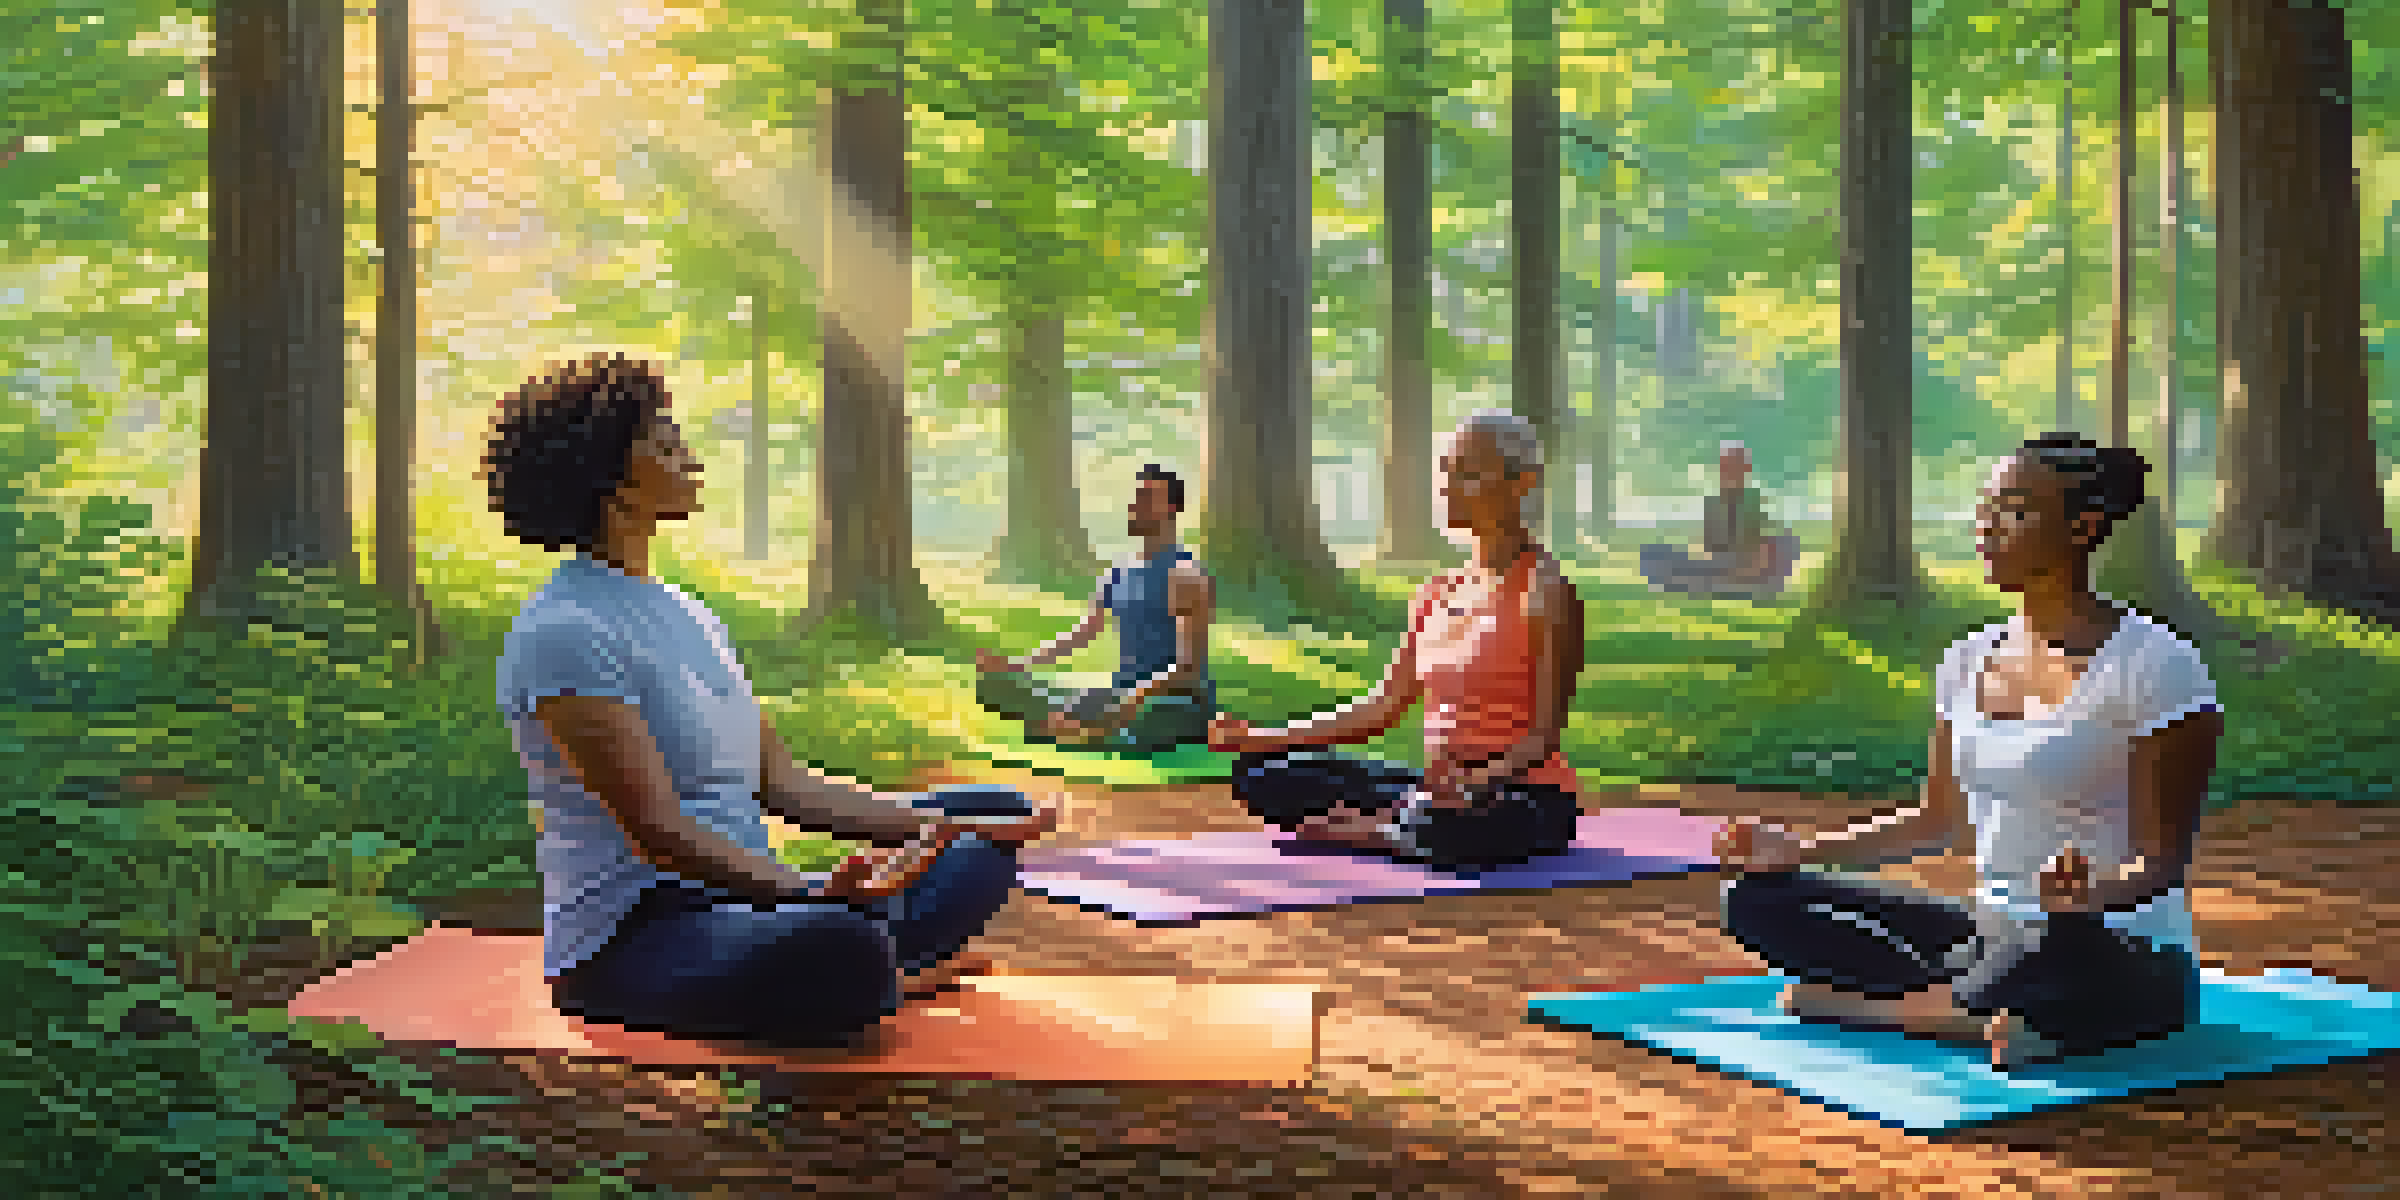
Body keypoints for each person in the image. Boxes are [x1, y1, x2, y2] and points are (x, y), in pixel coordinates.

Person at [482, 354, 1057, 1051]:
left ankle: (876, 959)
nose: (688, 454)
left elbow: (782, 784)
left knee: (991, 819)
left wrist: (934, 830)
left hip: (754, 904)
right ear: (614, 483)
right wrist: (806, 891)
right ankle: (877, 961)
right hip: (640, 935)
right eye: (664, 443)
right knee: (835, 943)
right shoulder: (565, 632)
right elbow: (656, 833)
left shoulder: (691, 615)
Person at [1716, 433, 2221, 1069]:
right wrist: (1794, 849)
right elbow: (1936, 821)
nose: (1988, 526)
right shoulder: (1967, 660)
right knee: (1761, 901)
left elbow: (2160, 862)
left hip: (2107, 940)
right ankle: (1977, 1013)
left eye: (2014, 509)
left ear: (2083, 527)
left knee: (2053, 963)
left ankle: (1887, 1007)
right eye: (1986, 508)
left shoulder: (2156, 665)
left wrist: (2091, 896)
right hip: (1993, 934)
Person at [1206, 409, 1586, 871]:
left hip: (1516, 791)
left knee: (1477, 819)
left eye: (1468, 474)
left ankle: (1382, 831)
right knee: (1263, 773)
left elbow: (1542, 739)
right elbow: (1382, 708)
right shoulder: (1437, 591)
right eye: (1445, 474)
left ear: (1522, 482)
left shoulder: (1545, 591)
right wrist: (1259, 738)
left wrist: (1477, 782)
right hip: (1433, 787)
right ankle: (1406, 819)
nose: (1447, 489)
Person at [974, 465, 1218, 755]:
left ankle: (1077, 730)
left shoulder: (1185, 574)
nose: (1135, 505)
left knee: (1122, 722)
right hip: (1121, 694)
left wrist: (1132, 700)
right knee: (996, 686)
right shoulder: (1118, 571)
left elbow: (1187, 670)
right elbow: (1084, 632)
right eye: (1136, 496)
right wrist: (1018, 665)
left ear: (1172, 508)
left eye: (1148, 497)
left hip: (1174, 701)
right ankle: (1076, 727)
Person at [1639, 441, 1798, 597]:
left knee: (1786, 542)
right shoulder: (1715, 502)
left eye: (1734, 466)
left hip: (1741, 567)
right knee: (1653, 553)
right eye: (1726, 467)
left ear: (1744, 470)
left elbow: (1758, 545)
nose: (1728, 472)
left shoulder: (1751, 501)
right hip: (1723, 566)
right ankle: (1700, 581)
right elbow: (1711, 548)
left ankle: (1715, 583)